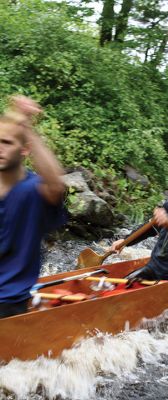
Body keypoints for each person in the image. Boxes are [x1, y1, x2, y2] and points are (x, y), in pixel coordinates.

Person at [0, 95, 66, 318]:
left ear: (24, 150)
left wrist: (27, 128)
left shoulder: (34, 189)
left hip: (8, 300)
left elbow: (56, 184)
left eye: (7, 143)